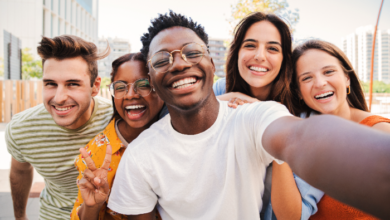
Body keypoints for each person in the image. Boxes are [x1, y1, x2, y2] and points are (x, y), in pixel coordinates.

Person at [105, 11, 390, 220]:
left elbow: (299, 137)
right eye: (161, 59)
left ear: (211, 63)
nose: (179, 63)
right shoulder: (144, 153)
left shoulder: (267, 116)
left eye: (192, 53)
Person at [213, 12, 321, 220]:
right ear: (237, 52)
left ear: (284, 59)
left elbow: (293, 216)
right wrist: (226, 99)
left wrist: (270, 120)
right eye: (250, 45)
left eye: (272, 48)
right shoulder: (221, 91)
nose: (260, 56)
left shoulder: (307, 120)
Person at [5, 35, 113, 220]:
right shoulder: (22, 128)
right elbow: (20, 171)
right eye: (50, 84)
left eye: (72, 84)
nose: (59, 97)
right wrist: (20, 217)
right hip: (55, 215)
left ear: (94, 87)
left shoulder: (116, 118)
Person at [290, 39, 390, 220]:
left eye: (328, 72)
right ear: (298, 92)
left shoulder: (380, 132)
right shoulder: (298, 130)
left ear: (346, 78)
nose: (320, 83)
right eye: (307, 78)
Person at [70, 52, 165, 220]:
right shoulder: (97, 155)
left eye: (143, 84)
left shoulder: (179, 135)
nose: (130, 94)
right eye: (120, 87)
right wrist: (92, 205)